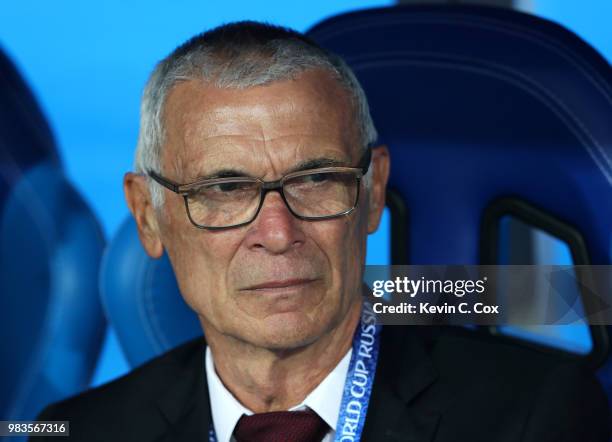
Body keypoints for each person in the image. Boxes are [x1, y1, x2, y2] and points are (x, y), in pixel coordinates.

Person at [34, 21, 609, 442]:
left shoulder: (537, 419)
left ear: (373, 191)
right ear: (148, 217)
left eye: (316, 179)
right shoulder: (77, 433)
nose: (279, 233)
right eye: (225, 189)